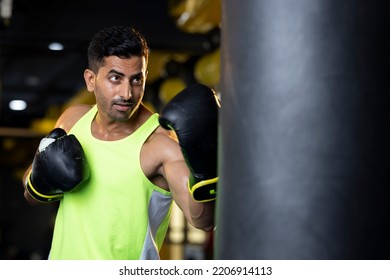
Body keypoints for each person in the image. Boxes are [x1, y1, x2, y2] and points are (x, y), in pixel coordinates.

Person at [22, 25, 220, 260]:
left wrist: (207, 167)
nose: (127, 93)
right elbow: (28, 192)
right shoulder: (72, 119)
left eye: (137, 80)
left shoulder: (160, 144)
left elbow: (203, 221)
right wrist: (41, 181)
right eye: (116, 78)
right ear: (91, 79)